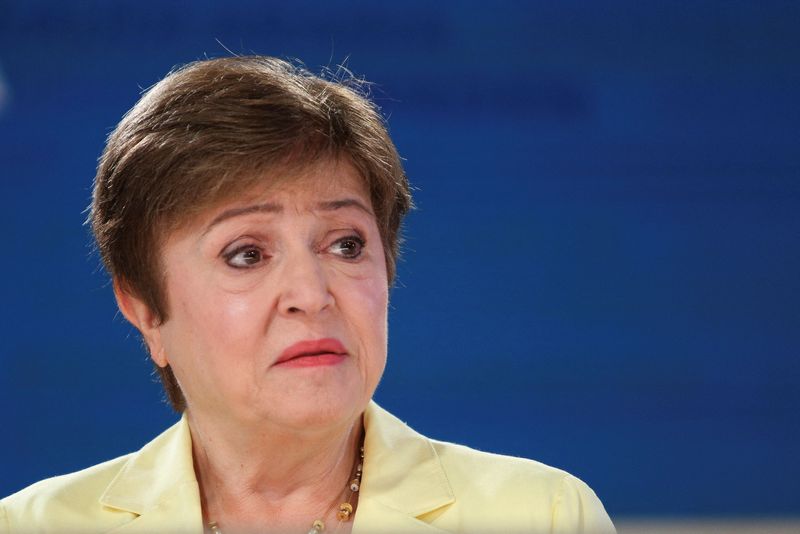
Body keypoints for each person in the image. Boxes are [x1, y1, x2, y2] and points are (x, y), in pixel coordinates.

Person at [0, 56, 615, 534]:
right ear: (144, 308)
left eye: (346, 245)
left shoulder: (542, 514)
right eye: (247, 254)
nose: (311, 295)